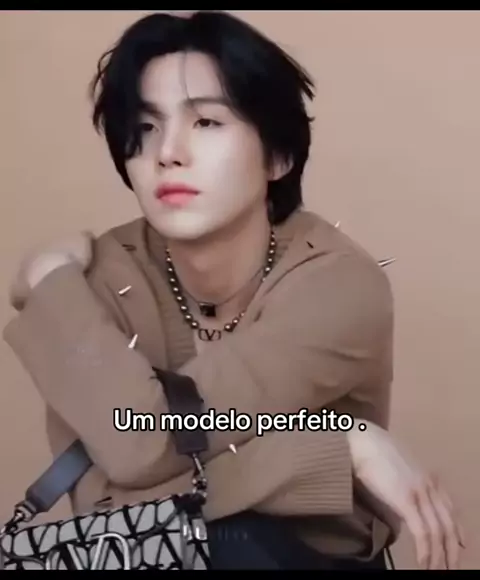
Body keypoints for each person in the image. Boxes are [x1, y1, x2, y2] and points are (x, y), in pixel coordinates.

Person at [3, 10, 464, 570]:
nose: (167, 152)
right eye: (145, 128)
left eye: (206, 122)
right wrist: (337, 450)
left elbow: (143, 449)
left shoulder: (337, 285)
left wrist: (47, 283)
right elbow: (106, 502)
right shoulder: (93, 285)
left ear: (278, 156)